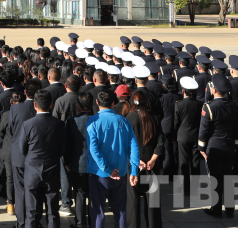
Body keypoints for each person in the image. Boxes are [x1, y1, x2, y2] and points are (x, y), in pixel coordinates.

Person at [86, 90, 139, 228]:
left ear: (97, 102)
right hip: (120, 171)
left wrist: (107, 169)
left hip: (98, 173)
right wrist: (134, 170)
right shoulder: (124, 121)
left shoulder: (93, 121)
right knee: (120, 211)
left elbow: (93, 149)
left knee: (98, 212)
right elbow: (134, 147)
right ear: (113, 103)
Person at [20, 90, 66, 228]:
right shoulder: (59, 124)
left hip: (32, 169)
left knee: (31, 212)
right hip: (52, 169)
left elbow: (22, 149)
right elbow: (62, 148)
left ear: (35, 104)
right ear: (51, 105)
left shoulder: (27, 124)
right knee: (53, 211)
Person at [198, 74, 238, 218]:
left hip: (214, 146)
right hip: (229, 145)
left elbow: (204, 130)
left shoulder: (209, 107)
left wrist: (201, 147)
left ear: (214, 90)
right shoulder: (233, 106)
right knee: (228, 177)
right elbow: (237, 128)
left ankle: (216, 209)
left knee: (215, 178)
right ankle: (230, 209)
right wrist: (235, 145)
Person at [123, 91, 164, 228]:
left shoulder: (128, 118)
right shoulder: (154, 117)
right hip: (151, 163)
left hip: (133, 163)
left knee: (132, 200)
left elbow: (124, 143)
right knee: (153, 201)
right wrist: (153, 159)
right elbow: (160, 142)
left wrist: (135, 160)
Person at [8, 82, 39, 228]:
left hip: (19, 154)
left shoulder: (15, 108)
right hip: (36, 155)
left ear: (25, 92)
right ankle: (34, 221)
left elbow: (11, 129)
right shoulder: (42, 109)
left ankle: (21, 222)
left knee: (20, 190)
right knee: (35, 190)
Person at [64, 91, 94, 228]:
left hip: (78, 163)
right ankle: (93, 222)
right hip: (95, 164)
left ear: (79, 105)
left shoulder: (72, 121)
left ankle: (80, 223)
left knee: (80, 194)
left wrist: (67, 161)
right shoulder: (97, 120)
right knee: (93, 194)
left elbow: (68, 144)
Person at [174, 76, 202, 194]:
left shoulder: (179, 105)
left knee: (183, 163)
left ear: (183, 91)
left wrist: (174, 137)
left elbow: (176, 122)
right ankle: (195, 187)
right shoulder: (200, 104)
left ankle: (185, 188)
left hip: (182, 136)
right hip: (196, 136)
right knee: (195, 162)